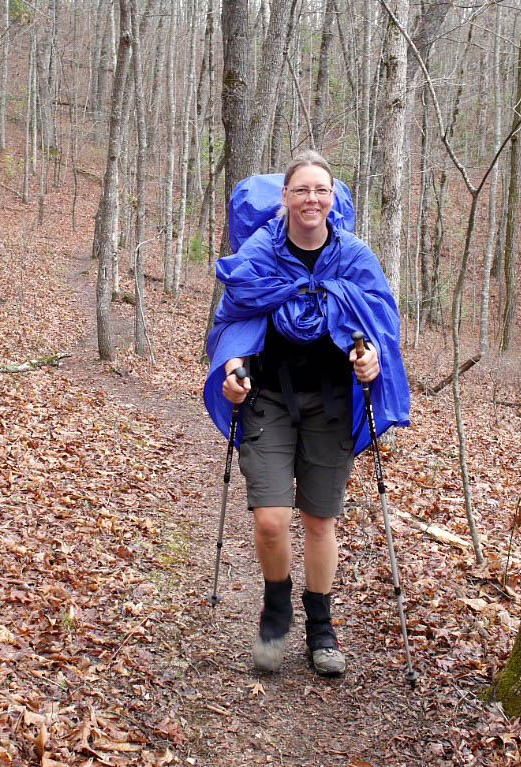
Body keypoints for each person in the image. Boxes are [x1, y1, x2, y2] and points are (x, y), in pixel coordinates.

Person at [204, 150, 409, 676]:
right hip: (269, 397)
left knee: (319, 522)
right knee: (272, 521)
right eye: (302, 190)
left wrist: (371, 360)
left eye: (322, 190)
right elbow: (233, 318)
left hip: (333, 404)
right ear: (285, 198)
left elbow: (380, 320)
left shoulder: (354, 255)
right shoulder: (261, 252)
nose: (312, 199)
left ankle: (321, 627)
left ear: (333, 198)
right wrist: (231, 367)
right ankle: (276, 614)